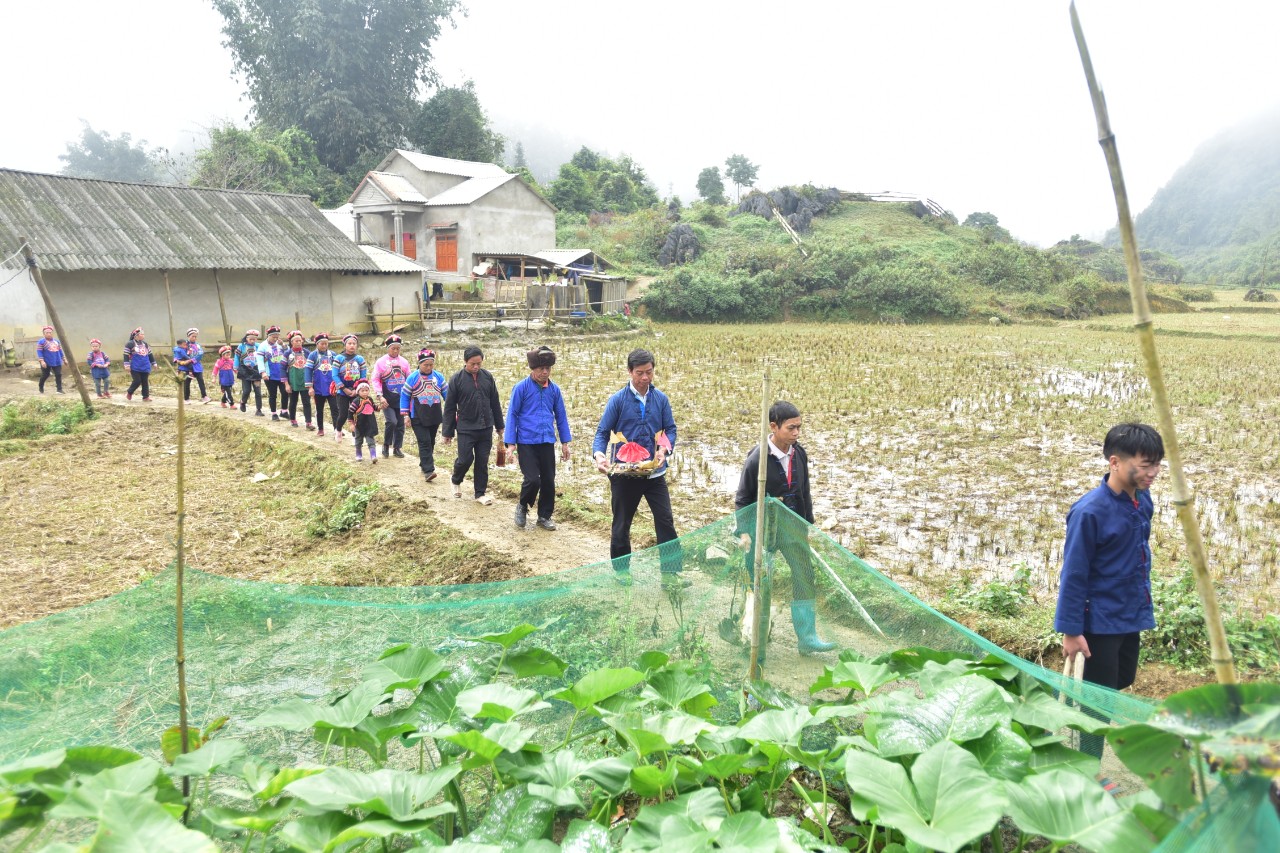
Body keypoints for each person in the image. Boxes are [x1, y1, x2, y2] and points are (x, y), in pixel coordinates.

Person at [1055, 423, 1164, 760]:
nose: (1153, 473)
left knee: (1119, 681)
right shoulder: (1090, 512)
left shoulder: (1142, 501)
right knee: (1098, 699)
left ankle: (1084, 736)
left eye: (1158, 464)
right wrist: (1072, 631)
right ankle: (1087, 768)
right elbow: (1074, 574)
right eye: (1145, 465)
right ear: (1114, 462)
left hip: (1129, 614)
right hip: (1098, 621)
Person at [733, 400, 835, 657]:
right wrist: (744, 532)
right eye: (791, 428)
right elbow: (743, 499)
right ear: (773, 427)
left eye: (799, 427)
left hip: (792, 528)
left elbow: (805, 492)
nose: (796, 433)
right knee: (759, 583)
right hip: (762, 531)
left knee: (804, 576)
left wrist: (806, 525)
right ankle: (753, 637)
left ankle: (807, 637)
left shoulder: (798, 453)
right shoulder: (758, 458)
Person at [592, 348, 684, 583]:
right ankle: (622, 571)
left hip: (654, 473)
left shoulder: (661, 399)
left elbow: (670, 429)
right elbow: (603, 432)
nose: (645, 378)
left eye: (649, 372)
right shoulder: (618, 400)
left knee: (665, 521)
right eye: (640, 373)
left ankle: (671, 573)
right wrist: (599, 455)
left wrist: (664, 448)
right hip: (625, 474)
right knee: (622, 523)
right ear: (630, 372)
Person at [505, 346, 572, 530]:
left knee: (549, 480)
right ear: (532, 369)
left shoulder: (554, 390)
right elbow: (512, 414)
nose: (545, 372)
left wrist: (565, 443)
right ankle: (522, 505)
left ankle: (544, 516)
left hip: (547, 441)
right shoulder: (521, 388)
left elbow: (561, 416)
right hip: (526, 441)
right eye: (541, 369)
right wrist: (510, 445)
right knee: (533, 479)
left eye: (548, 369)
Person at [442, 345, 505, 505]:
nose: (476, 367)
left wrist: (499, 425)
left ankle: (480, 493)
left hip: (485, 427)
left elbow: (495, 402)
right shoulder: (456, 379)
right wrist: (447, 432)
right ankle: (456, 479)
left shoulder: (488, 377)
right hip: (465, 427)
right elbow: (449, 407)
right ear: (465, 362)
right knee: (465, 459)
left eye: (479, 363)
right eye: (472, 364)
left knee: (482, 461)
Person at [400, 348, 448, 482]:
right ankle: (428, 470)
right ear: (419, 364)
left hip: (434, 414)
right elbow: (404, 396)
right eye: (425, 365)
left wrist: (453, 408)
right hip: (417, 415)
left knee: (431, 441)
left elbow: (446, 393)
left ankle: (424, 463)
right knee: (424, 441)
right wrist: (405, 415)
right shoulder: (413, 378)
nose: (428, 367)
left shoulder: (438, 377)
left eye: (431, 364)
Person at [371, 334, 411, 458]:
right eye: (393, 348)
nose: (395, 351)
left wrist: (410, 396)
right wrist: (380, 396)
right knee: (391, 422)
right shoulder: (381, 362)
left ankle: (397, 447)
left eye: (398, 348)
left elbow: (409, 379)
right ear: (388, 348)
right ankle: (386, 445)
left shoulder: (404, 362)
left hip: (401, 399)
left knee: (400, 424)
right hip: (386, 399)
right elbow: (375, 379)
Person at [332, 334, 367, 442]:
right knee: (343, 414)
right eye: (349, 343)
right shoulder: (339, 358)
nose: (352, 346)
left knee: (355, 414)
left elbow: (363, 376)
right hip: (342, 392)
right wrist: (344, 389)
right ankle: (338, 430)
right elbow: (334, 375)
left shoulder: (360, 359)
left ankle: (355, 436)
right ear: (345, 345)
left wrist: (356, 390)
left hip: (355, 392)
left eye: (354, 344)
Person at [305, 333, 340, 437]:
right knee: (319, 409)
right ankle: (320, 428)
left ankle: (337, 429)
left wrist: (339, 383)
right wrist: (310, 387)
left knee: (335, 409)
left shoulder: (333, 355)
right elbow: (308, 370)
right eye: (322, 344)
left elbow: (338, 369)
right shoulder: (313, 355)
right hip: (318, 387)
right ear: (317, 344)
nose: (324, 346)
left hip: (332, 387)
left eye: (326, 343)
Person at [173, 327, 210, 404]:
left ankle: (204, 396)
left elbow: (200, 354)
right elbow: (177, 352)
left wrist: (191, 360)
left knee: (201, 381)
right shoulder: (184, 344)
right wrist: (177, 360)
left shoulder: (198, 345)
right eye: (192, 336)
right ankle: (186, 398)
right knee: (187, 382)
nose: (194, 338)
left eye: (195, 336)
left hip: (196, 365)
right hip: (186, 367)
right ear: (188, 336)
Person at [284, 331, 312, 429]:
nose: (298, 342)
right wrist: (286, 384)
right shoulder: (287, 353)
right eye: (296, 341)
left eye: (300, 341)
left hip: (305, 382)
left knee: (306, 402)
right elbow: (282, 369)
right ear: (292, 342)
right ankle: (293, 419)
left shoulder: (307, 353)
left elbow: (312, 367)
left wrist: (311, 384)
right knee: (293, 402)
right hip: (293, 382)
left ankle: (308, 422)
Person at [260, 325, 289, 420]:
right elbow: (259, 360)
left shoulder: (280, 344)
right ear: (268, 336)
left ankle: (284, 411)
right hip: (270, 375)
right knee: (273, 394)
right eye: (274, 337)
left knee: (285, 392)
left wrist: (284, 346)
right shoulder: (263, 346)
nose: (275, 339)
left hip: (281, 373)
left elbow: (289, 353)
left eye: (277, 337)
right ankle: (274, 413)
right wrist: (263, 372)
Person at [235, 329, 265, 415]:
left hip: (256, 371)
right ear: (246, 338)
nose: (252, 341)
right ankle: (243, 402)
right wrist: (235, 367)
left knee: (258, 391)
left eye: (254, 339)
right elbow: (237, 357)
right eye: (250, 339)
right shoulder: (241, 346)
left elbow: (263, 356)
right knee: (247, 390)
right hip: (245, 371)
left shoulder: (259, 346)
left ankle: (258, 409)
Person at [349, 379, 379, 463]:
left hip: (370, 424)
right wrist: (351, 423)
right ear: (358, 392)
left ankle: (373, 456)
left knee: (371, 440)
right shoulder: (355, 401)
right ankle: (358, 454)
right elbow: (350, 412)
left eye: (366, 390)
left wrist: (380, 407)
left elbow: (374, 407)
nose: (365, 392)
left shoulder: (370, 399)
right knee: (358, 440)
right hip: (359, 424)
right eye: (362, 391)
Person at [123, 327, 156, 401]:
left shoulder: (145, 344)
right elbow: (126, 355)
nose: (143, 335)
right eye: (142, 334)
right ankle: (129, 392)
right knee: (137, 381)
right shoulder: (130, 344)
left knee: (145, 381)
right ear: (136, 335)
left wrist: (154, 363)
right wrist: (127, 365)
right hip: (135, 367)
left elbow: (150, 354)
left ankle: (145, 397)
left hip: (145, 366)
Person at [36, 325, 65, 394]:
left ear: (52, 333)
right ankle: (41, 385)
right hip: (46, 361)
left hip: (57, 360)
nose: (49, 334)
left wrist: (64, 359)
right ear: (44, 334)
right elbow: (39, 351)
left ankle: (59, 389)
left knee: (58, 374)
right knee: (45, 375)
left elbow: (60, 350)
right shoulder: (41, 342)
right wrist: (42, 361)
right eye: (47, 333)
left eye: (50, 332)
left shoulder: (56, 341)